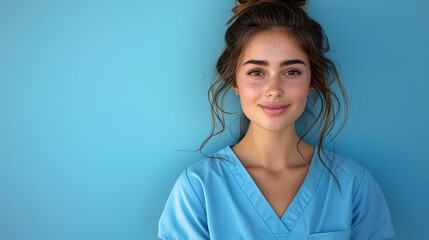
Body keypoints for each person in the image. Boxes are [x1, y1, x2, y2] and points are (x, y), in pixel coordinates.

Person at [158, 0, 395, 239]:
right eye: (256, 72)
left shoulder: (353, 184)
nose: (274, 90)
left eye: (291, 72)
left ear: (311, 81)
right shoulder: (198, 189)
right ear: (235, 82)